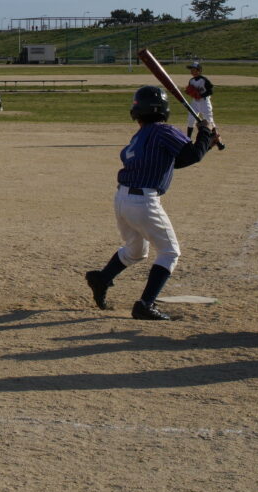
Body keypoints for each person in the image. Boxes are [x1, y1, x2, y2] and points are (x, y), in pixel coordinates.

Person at [84, 85, 215, 320]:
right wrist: (204, 131)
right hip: (143, 201)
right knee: (169, 252)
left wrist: (206, 143)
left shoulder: (141, 135)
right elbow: (191, 155)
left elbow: (173, 161)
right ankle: (145, 304)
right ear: (163, 109)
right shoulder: (164, 130)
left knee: (135, 251)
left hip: (123, 199)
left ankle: (102, 278)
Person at [183, 60, 225, 150]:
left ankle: (218, 141)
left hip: (204, 101)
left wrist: (200, 95)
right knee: (190, 119)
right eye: (191, 69)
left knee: (209, 121)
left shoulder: (204, 80)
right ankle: (187, 140)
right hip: (195, 102)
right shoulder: (191, 80)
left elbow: (210, 91)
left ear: (199, 71)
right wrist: (191, 93)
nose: (191, 71)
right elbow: (191, 91)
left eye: (194, 69)